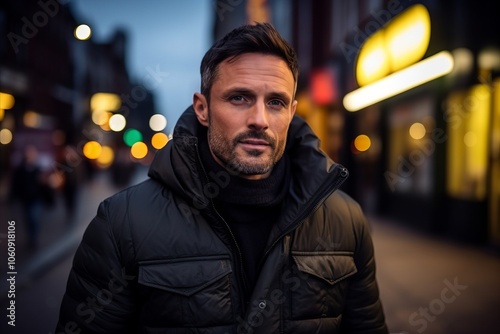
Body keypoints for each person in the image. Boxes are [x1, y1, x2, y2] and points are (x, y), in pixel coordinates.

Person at [56, 22, 388, 333]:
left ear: (291, 112)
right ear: (202, 108)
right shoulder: (122, 224)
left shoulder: (346, 221)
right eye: (239, 98)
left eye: (275, 102)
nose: (259, 119)